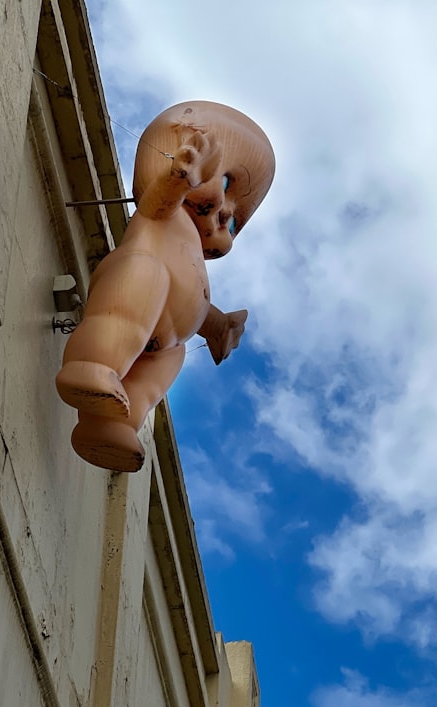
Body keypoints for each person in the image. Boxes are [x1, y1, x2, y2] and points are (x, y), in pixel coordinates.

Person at [56, 101, 275, 472]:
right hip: (139, 278)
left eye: (236, 222)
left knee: (161, 368)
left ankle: (113, 426)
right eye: (225, 183)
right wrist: (179, 178)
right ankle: (91, 366)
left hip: (170, 336)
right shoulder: (167, 212)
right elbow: (158, 203)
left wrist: (219, 326)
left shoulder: (192, 246)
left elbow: (198, 305)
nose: (226, 213)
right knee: (128, 309)